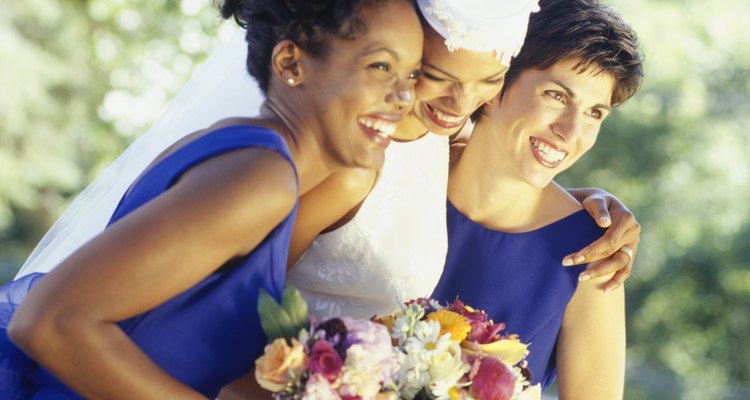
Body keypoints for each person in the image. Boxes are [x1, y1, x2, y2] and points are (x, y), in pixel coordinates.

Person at [0, 0, 424, 398]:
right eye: (380, 66)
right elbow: (49, 322)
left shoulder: (238, 152)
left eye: (411, 75)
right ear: (290, 63)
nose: (403, 97)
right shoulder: (261, 179)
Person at [430, 0, 644, 397]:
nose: (571, 131)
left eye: (595, 113)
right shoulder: (407, 168)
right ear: (496, 81)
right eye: (557, 96)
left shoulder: (592, 254)